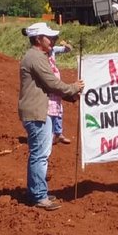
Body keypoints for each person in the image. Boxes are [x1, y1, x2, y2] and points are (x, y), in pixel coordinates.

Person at [19, 22, 84, 211]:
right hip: (38, 112)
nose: (53, 40)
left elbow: (50, 85)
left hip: (41, 110)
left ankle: (36, 191)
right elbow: (52, 83)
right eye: (50, 37)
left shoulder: (39, 56)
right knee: (40, 155)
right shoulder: (36, 58)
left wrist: (69, 94)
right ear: (38, 39)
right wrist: (73, 88)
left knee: (39, 154)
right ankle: (39, 195)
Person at [48, 39, 74, 145]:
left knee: (58, 106)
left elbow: (68, 49)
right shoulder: (40, 54)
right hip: (48, 81)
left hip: (55, 80)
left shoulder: (53, 50)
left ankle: (58, 133)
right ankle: (50, 134)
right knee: (50, 107)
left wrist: (66, 44)